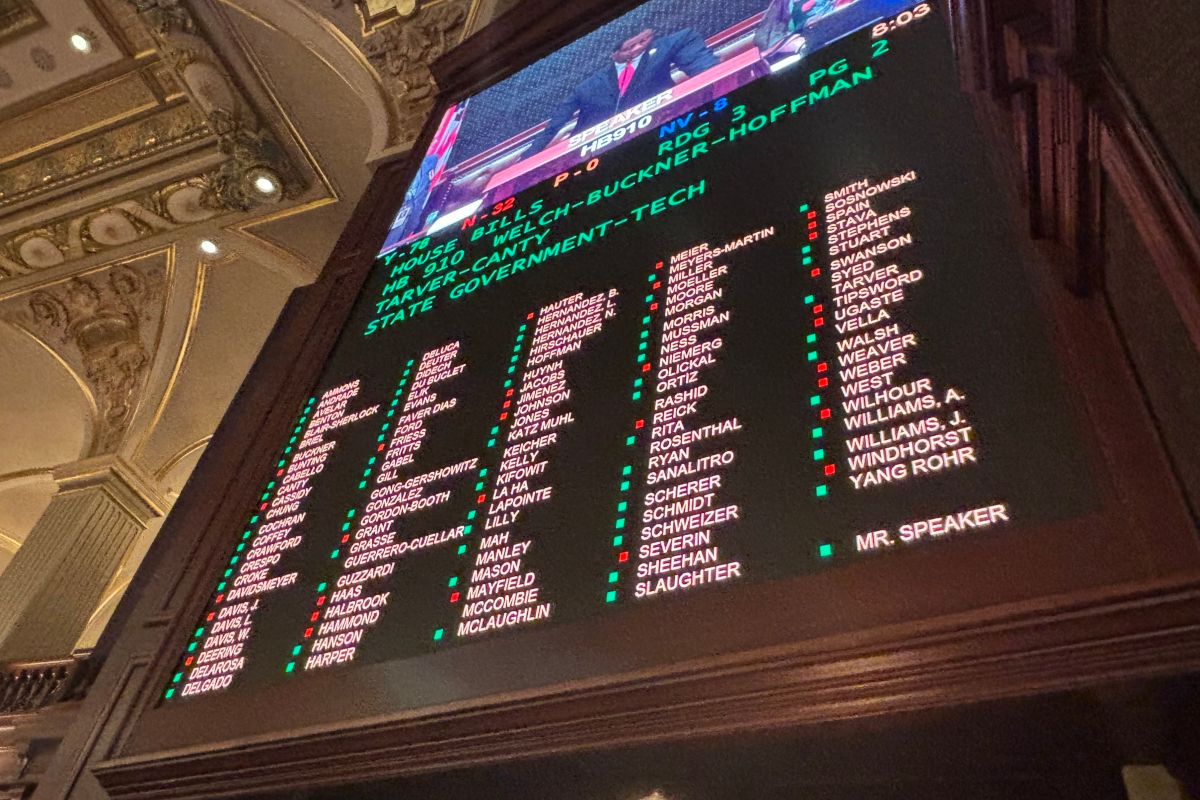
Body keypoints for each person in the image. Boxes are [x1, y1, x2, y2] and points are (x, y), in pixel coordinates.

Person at [528, 27, 720, 152]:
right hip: (596, 153)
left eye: (643, 40)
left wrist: (716, 81)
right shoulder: (585, 88)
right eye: (630, 47)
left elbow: (704, 66)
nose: (638, 48)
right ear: (614, 55)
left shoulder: (668, 46)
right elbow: (552, 128)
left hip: (660, 136)